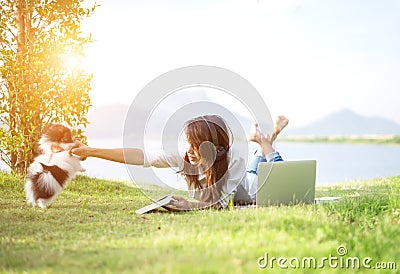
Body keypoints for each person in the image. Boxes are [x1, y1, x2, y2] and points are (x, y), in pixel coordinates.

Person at [71, 115, 289, 210]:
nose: (190, 151)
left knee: (272, 167)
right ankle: (267, 138)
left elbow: (219, 206)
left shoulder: (233, 163)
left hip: (255, 188)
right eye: (189, 143)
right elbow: (139, 156)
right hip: (247, 180)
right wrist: (91, 151)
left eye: (197, 145)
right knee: (256, 164)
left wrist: (188, 205)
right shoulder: (183, 157)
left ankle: (263, 139)